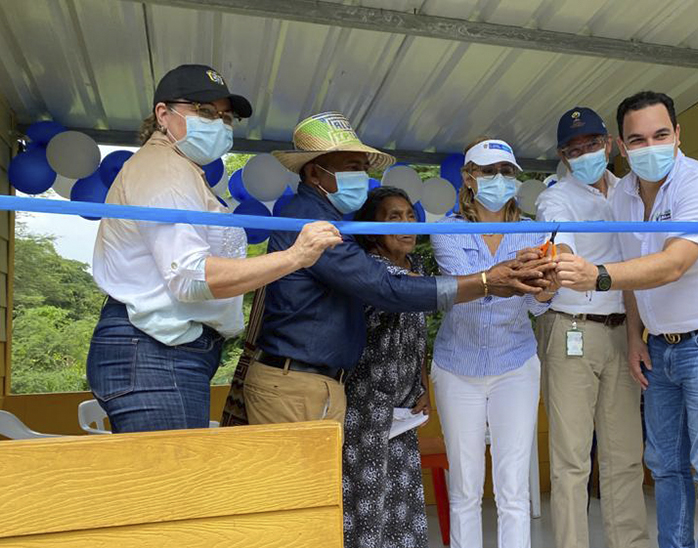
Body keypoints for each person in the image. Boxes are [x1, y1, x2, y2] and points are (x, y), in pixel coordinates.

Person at [244, 112, 552, 428]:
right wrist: (487, 281)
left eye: (364, 169)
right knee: (299, 479)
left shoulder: (333, 221)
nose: (362, 177)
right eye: (353, 168)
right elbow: (387, 288)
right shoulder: (312, 224)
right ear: (314, 173)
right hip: (298, 384)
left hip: (318, 383)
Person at [87, 64, 341, 433]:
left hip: (167, 349)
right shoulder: (163, 170)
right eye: (205, 112)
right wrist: (294, 257)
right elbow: (191, 278)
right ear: (163, 114)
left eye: (226, 117)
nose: (219, 124)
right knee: (173, 486)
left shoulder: (182, 171)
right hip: (155, 348)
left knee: (175, 484)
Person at [556, 91, 698, 548]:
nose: (651, 146)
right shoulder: (624, 196)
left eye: (661, 135)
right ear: (621, 147)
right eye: (638, 139)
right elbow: (635, 278)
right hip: (661, 347)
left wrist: (597, 276)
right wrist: (634, 336)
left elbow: (673, 264)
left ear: (678, 134)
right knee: (665, 465)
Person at [431, 137, 557, 548]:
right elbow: (461, 286)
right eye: (488, 171)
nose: (499, 179)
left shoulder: (535, 232)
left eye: (507, 172)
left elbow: (535, 304)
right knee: (465, 487)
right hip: (456, 368)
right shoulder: (445, 231)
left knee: (514, 487)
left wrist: (542, 292)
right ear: (469, 178)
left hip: (516, 365)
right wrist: (514, 275)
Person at [534, 107, 648, 548]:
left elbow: (638, 270)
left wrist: (636, 334)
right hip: (571, 329)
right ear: (563, 155)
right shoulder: (555, 197)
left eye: (591, 144)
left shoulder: (629, 192)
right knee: (572, 460)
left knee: (625, 457)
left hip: (623, 331)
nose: (584, 154)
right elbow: (562, 251)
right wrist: (569, 260)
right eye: (573, 149)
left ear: (610, 144)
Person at [342, 187, 431, 548]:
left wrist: (424, 385)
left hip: (404, 405)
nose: (406, 224)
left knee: (402, 498)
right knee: (367, 499)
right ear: (371, 226)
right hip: (368, 402)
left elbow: (420, 334)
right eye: (394, 217)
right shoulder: (367, 269)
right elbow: (396, 295)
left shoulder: (419, 268)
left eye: (410, 216)